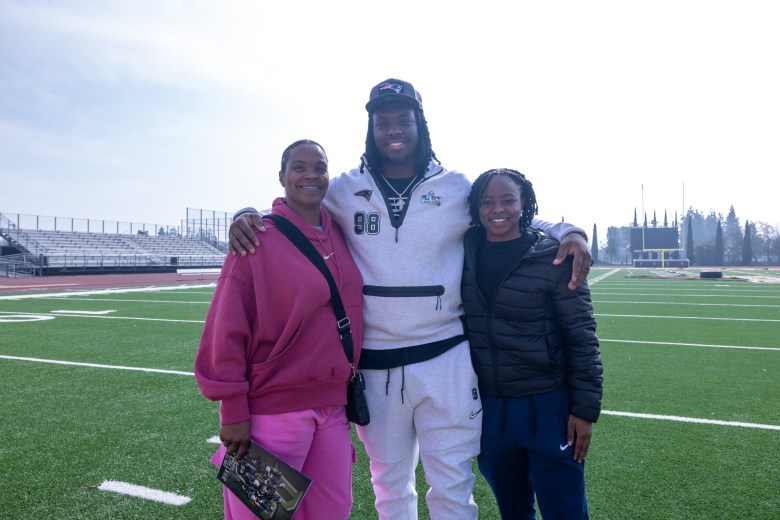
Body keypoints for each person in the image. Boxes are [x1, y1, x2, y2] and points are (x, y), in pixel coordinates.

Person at [228, 78, 592, 519]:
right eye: (384, 121)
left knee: (453, 485)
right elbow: (295, 207)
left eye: (404, 119)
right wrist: (246, 214)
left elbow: (509, 215)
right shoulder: (344, 189)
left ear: (420, 124)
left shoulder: (456, 187)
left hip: (447, 362)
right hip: (375, 367)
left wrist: (568, 232)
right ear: (371, 128)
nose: (394, 129)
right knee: (390, 488)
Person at [194, 139, 364, 520]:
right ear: (282, 177)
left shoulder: (339, 230)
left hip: (332, 406)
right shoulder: (258, 237)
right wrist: (231, 407)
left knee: (333, 511)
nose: (311, 175)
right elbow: (227, 325)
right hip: (274, 410)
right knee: (262, 517)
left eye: (319, 167)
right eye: (299, 167)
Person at [461, 168, 603, 519]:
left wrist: (584, 411)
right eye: (488, 201)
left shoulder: (554, 256)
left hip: (547, 405)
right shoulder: (464, 250)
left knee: (564, 510)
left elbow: (582, 336)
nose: (498, 209)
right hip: (491, 407)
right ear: (476, 207)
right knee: (513, 509)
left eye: (508, 200)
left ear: (524, 203)